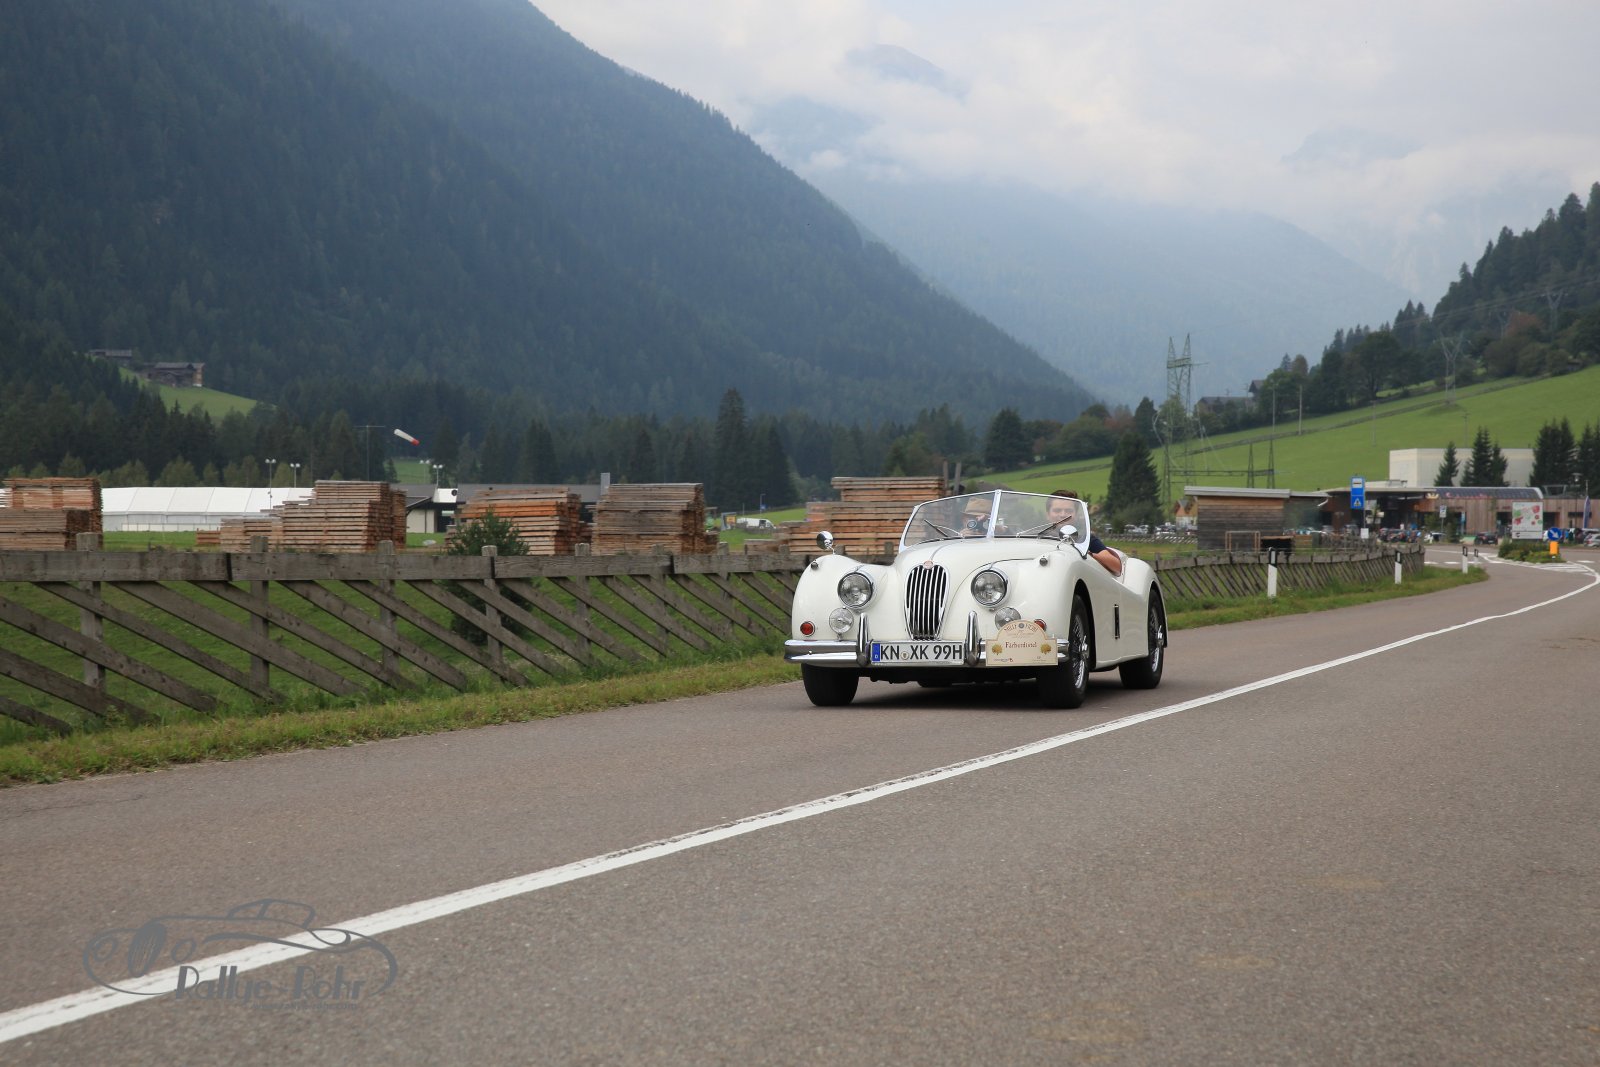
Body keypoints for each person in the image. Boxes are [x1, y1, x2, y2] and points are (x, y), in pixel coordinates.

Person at [1049, 490, 1122, 576]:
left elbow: (1116, 566)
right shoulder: (1035, 537)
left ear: (1075, 515)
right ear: (1048, 514)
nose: (1063, 515)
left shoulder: (1085, 538)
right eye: (1057, 510)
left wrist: (1088, 555)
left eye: (1068, 511)